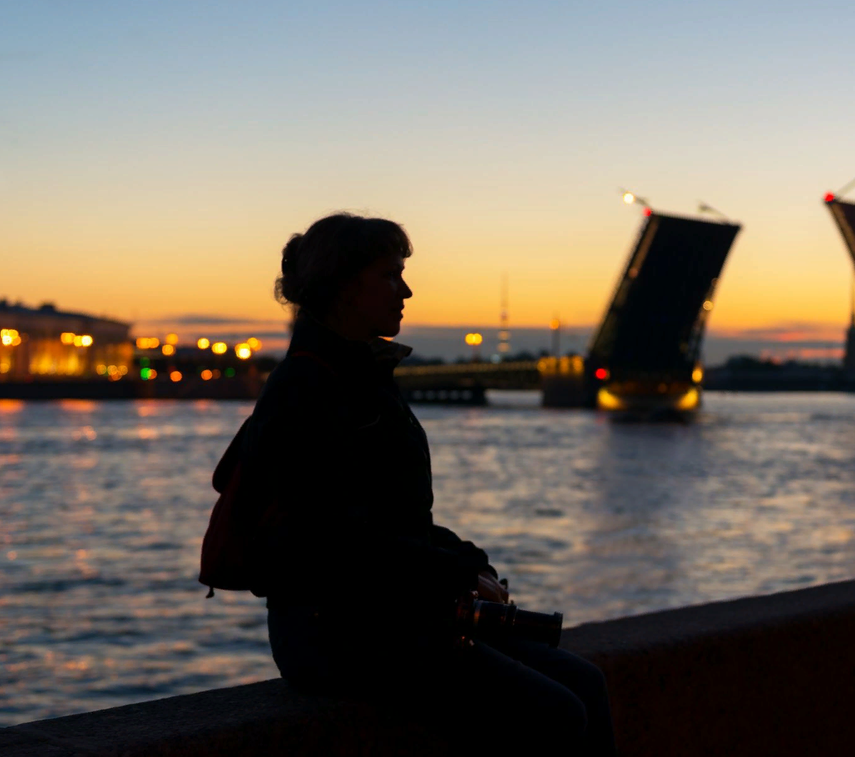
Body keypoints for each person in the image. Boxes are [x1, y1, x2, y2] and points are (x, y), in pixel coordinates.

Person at [225, 212, 615, 754]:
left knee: (586, 685)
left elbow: (393, 518)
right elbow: (334, 538)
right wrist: (454, 570)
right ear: (342, 284)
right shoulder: (307, 388)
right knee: (555, 713)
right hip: (335, 633)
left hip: (384, 615)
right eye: (389, 275)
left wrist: (466, 558)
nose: (405, 290)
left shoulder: (357, 377)